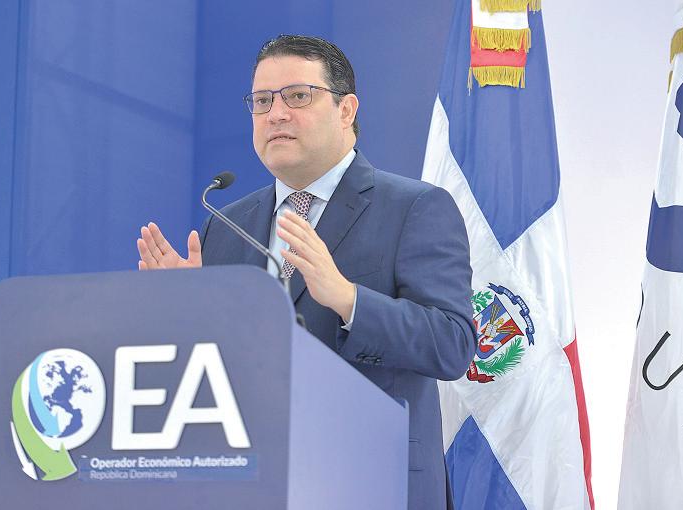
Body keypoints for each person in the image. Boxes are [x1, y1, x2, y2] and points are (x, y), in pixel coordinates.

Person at [137, 34, 475, 510]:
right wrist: (192, 315)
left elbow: (452, 344)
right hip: (252, 485)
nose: (276, 114)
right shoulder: (227, 224)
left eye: (297, 96)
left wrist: (347, 298)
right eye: (262, 101)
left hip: (370, 483)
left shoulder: (414, 208)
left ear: (346, 109)